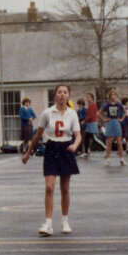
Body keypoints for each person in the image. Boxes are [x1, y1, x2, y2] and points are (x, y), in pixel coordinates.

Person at [22, 84, 82, 236]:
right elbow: (38, 134)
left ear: (68, 96)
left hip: (66, 148)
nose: (62, 95)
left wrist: (75, 145)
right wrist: (28, 152)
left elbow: (78, 135)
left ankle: (65, 221)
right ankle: (48, 223)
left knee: (65, 188)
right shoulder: (47, 113)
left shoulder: (72, 114)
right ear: (55, 95)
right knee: (49, 187)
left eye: (65, 92)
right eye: (59, 92)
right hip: (52, 148)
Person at [99, 89, 126, 166]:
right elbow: (98, 113)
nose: (113, 96)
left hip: (116, 122)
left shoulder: (118, 104)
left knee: (119, 142)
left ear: (116, 96)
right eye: (112, 95)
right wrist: (104, 119)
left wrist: (121, 119)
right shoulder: (107, 105)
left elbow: (125, 112)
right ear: (109, 96)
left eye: (114, 95)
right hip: (110, 122)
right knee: (109, 142)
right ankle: (108, 160)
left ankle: (121, 159)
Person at [80, 93, 99, 158]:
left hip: (92, 123)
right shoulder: (90, 105)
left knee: (94, 138)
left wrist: (84, 121)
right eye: (87, 97)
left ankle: (106, 147)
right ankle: (86, 152)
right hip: (89, 124)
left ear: (92, 98)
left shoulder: (92, 105)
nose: (87, 98)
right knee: (86, 138)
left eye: (88, 97)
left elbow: (90, 116)